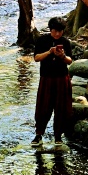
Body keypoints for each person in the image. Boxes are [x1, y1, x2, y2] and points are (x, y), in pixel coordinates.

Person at [32, 16, 74, 150]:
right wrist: (49, 52)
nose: (57, 34)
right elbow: (36, 58)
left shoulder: (65, 42)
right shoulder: (42, 40)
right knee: (43, 107)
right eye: (55, 31)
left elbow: (70, 61)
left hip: (62, 78)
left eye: (60, 31)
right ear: (50, 30)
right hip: (46, 78)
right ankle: (39, 134)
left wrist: (62, 56)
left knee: (61, 108)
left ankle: (58, 136)